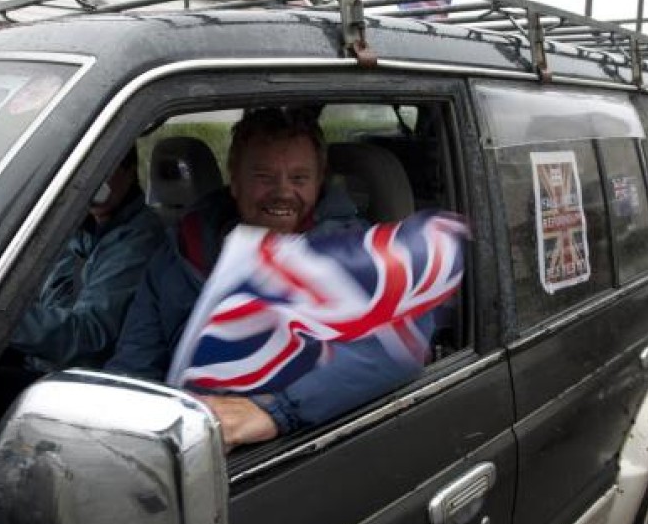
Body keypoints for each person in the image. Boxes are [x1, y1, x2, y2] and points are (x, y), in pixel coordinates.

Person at [107, 108, 427, 449]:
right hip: (178, 443)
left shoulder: (356, 256)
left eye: (299, 179)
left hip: (278, 455)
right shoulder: (182, 251)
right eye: (264, 176)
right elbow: (134, 363)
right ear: (235, 179)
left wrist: (275, 409)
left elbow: (396, 347)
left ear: (319, 183)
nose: (283, 192)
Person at [0, 148, 164, 432]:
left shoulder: (139, 239)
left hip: (85, 386)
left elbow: (89, 335)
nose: (93, 181)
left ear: (129, 171)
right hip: (46, 367)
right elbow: (47, 296)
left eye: (105, 170)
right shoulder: (76, 226)